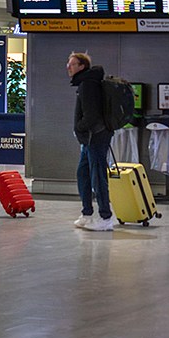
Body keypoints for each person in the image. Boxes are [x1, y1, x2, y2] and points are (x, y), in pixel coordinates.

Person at [68, 51, 114, 232]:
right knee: (83, 174)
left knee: (98, 176)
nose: (68, 67)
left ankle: (106, 217)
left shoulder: (88, 85)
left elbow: (91, 116)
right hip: (90, 138)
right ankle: (87, 213)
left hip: (96, 137)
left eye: (72, 64)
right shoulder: (87, 83)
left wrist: (78, 127)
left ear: (82, 67)